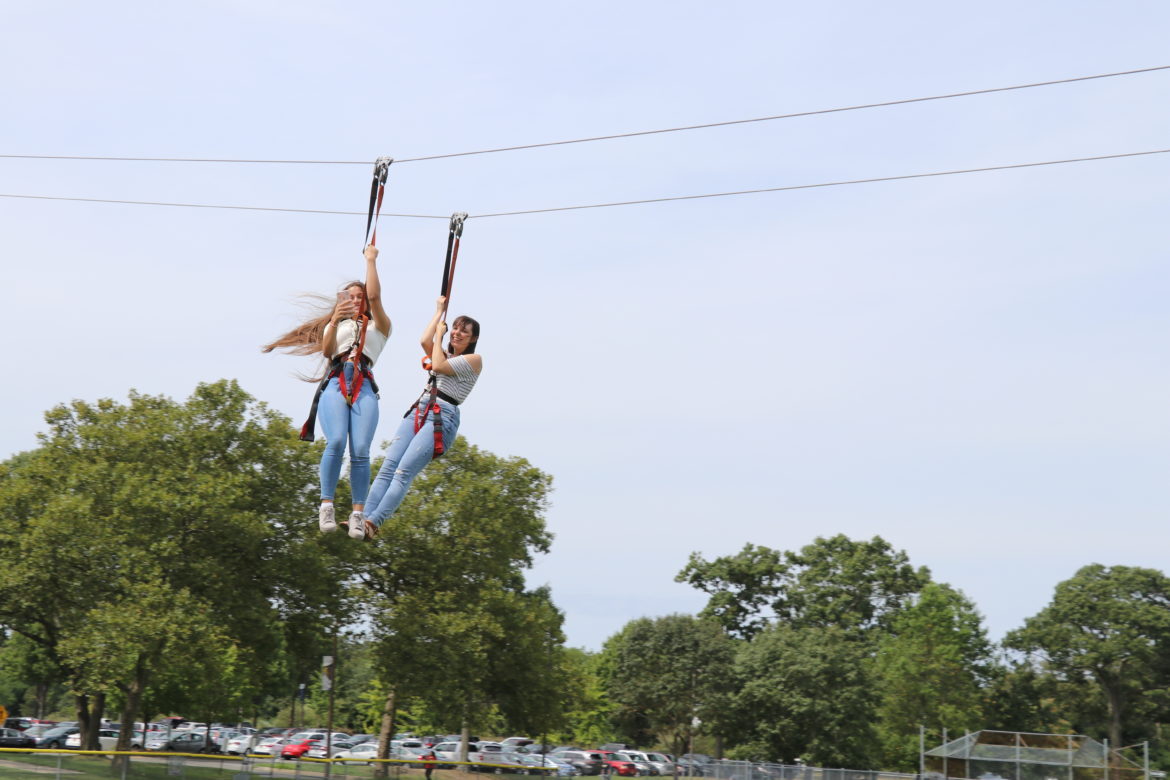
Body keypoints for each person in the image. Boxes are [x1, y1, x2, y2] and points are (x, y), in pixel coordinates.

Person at [263, 245, 392, 533]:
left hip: (364, 385)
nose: (358, 300)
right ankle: (327, 506)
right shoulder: (336, 326)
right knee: (335, 442)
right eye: (351, 297)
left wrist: (370, 261)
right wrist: (335, 319)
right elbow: (327, 351)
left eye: (360, 298)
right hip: (336, 382)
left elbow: (374, 295)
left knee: (360, 449)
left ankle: (358, 514)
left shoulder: (379, 327)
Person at [352, 296, 481, 540]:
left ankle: (374, 522)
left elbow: (440, 366)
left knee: (402, 472)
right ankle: (361, 520)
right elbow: (424, 340)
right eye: (455, 328)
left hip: (442, 415)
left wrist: (440, 338)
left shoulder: (473, 361)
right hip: (421, 408)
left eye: (464, 331)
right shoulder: (442, 353)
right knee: (388, 467)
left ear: (473, 339)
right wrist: (438, 313)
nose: (457, 333)